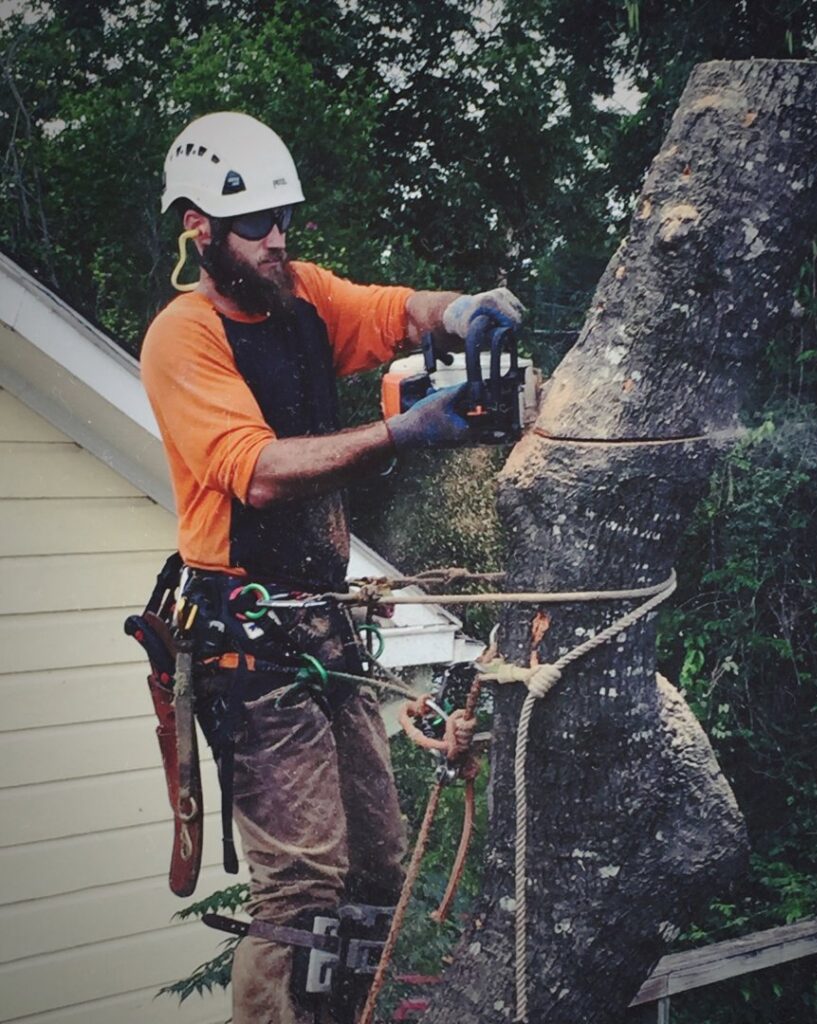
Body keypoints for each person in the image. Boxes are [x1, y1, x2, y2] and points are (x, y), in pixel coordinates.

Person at [140, 111, 524, 1024]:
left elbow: (395, 310)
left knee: (377, 866)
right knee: (303, 887)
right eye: (255, 225)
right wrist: (399, 433)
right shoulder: (184, 336)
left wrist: (463, 310)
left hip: (323, 623)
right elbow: (259, 473)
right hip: (247, 638)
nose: (277, 239)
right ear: (200, 228)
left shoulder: (303, 296)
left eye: (283, 219)